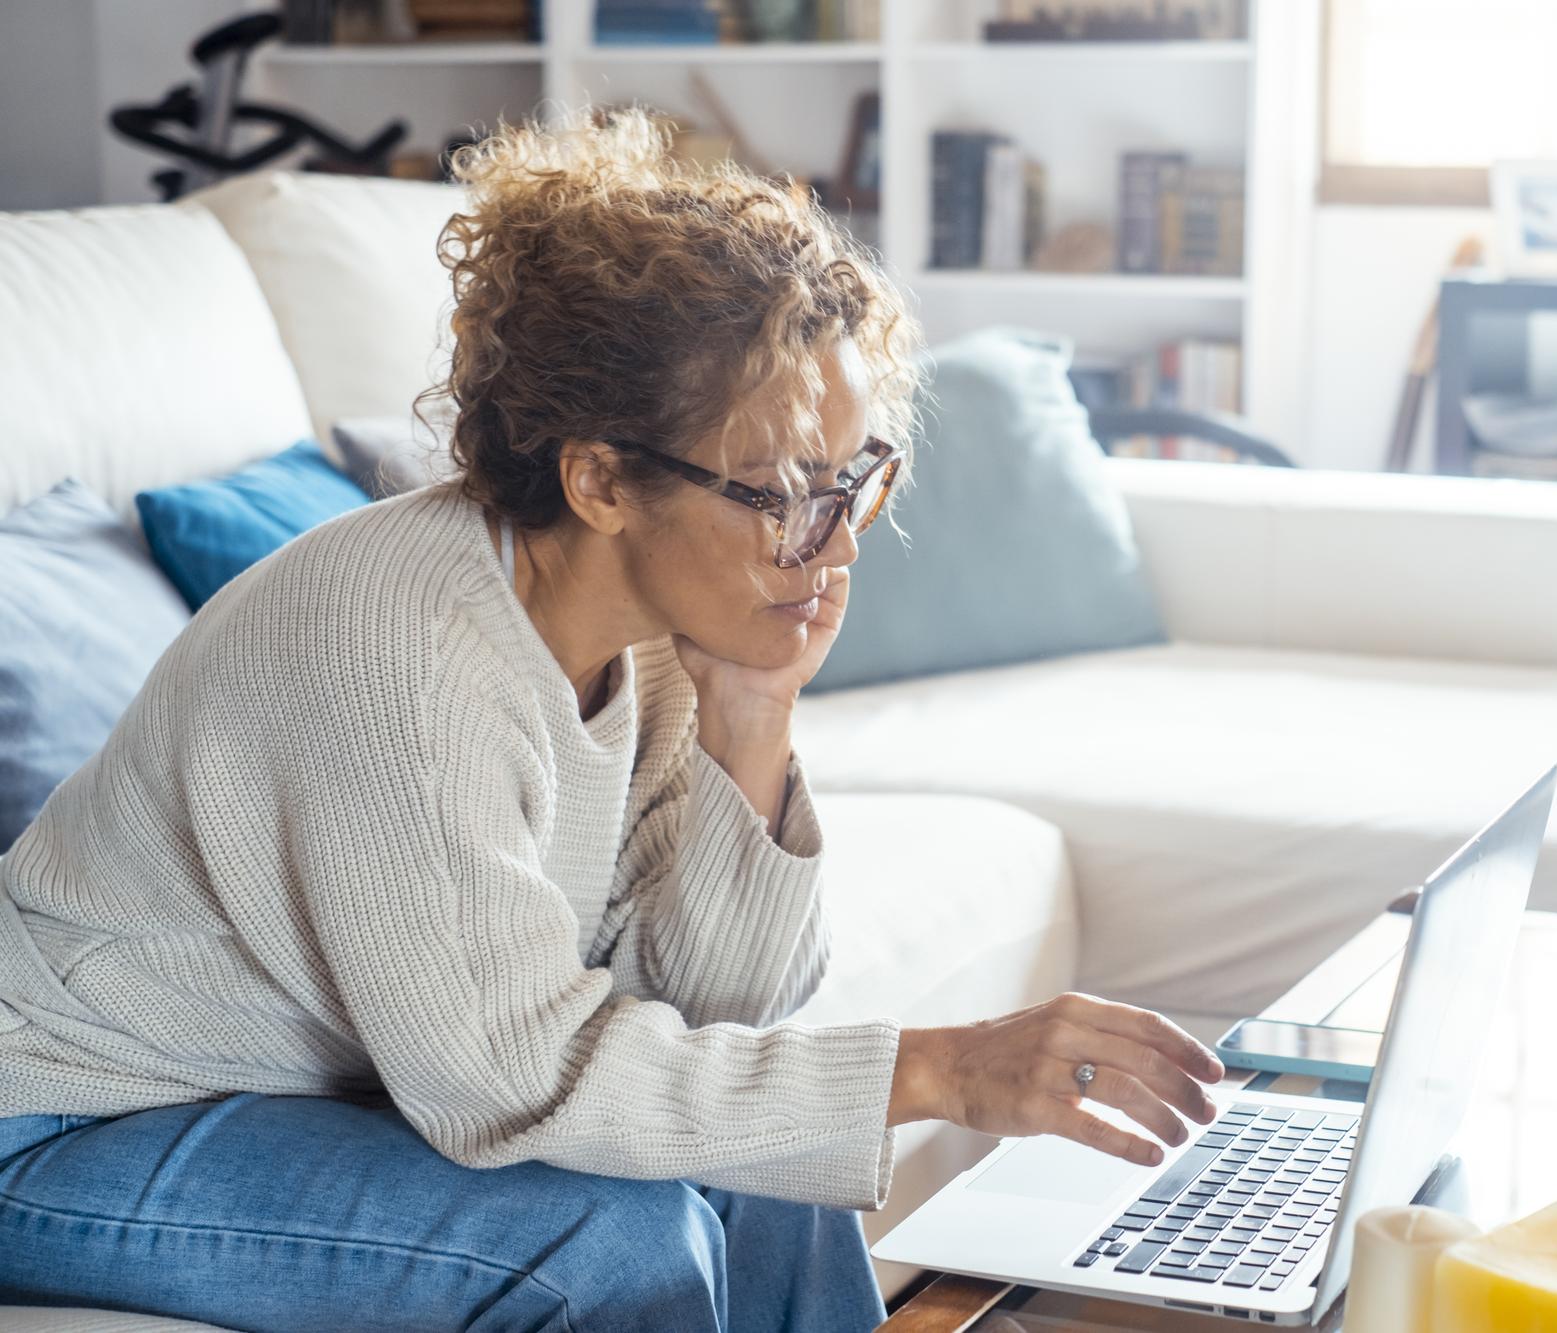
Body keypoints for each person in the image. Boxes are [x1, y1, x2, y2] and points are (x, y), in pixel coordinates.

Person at [0, 108, 1222, 1331]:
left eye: (852, 480)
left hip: (301, 1086)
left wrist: (753, 710)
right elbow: (516, 1074)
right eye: (787, 493)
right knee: (610, 1244)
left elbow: (707, 1004)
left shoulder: (653, 637)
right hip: (71, 1114)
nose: (838, 545)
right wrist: (941, 1066)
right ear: (598, 480)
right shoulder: (396, 659)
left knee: (775, 1173)